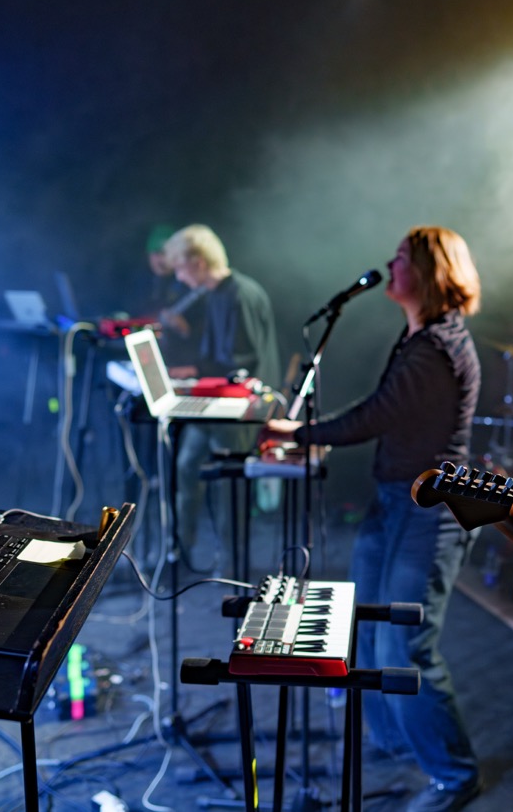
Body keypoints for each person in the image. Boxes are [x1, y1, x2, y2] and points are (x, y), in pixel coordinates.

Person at [263, 226, 484, 812]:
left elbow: (379, 413)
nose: (389, 265)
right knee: (365, 627)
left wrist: (302, 434)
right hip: (395, 503)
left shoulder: (437, 347)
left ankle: (455, 776)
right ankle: (395, 744)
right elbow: (389, 415)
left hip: (428, 513)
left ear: (431, 273)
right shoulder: (420, 336)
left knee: (407, 648)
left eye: (401, 258)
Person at [163, 224, 281, 570]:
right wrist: (189, 375)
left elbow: (241, 365)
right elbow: (219, 358)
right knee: (186, 466)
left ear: (198, 262)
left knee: (227, 490)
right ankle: (181, 554)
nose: (180, 278)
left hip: (243, 410)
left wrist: (191, 380)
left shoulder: (241, 294)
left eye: (181, 268)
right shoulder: (216, 294)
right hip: (220, 407)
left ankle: (231, 566)